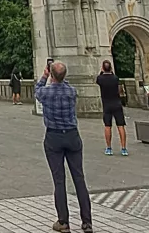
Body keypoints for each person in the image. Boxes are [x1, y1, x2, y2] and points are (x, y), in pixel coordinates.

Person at [36, 59, 93, 233]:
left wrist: (45, 76)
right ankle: (87, 222)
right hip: (72, 135)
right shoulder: (71, 92)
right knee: (79, 179)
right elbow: (63, 82)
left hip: (54, 136)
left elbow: (37, 90)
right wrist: (57, 76)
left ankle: (63, 222)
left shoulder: (45, 93)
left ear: (51, 74)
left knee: (59, 180)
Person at [96, 60, 128, 156]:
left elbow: (98, 79)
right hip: (117, 103)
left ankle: (109, 148)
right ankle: (123, 148)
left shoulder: (100, 78)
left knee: (107, 126)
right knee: (121, 126)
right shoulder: (115, 78)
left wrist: (102, 71)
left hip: (107, 104)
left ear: (102, 68)